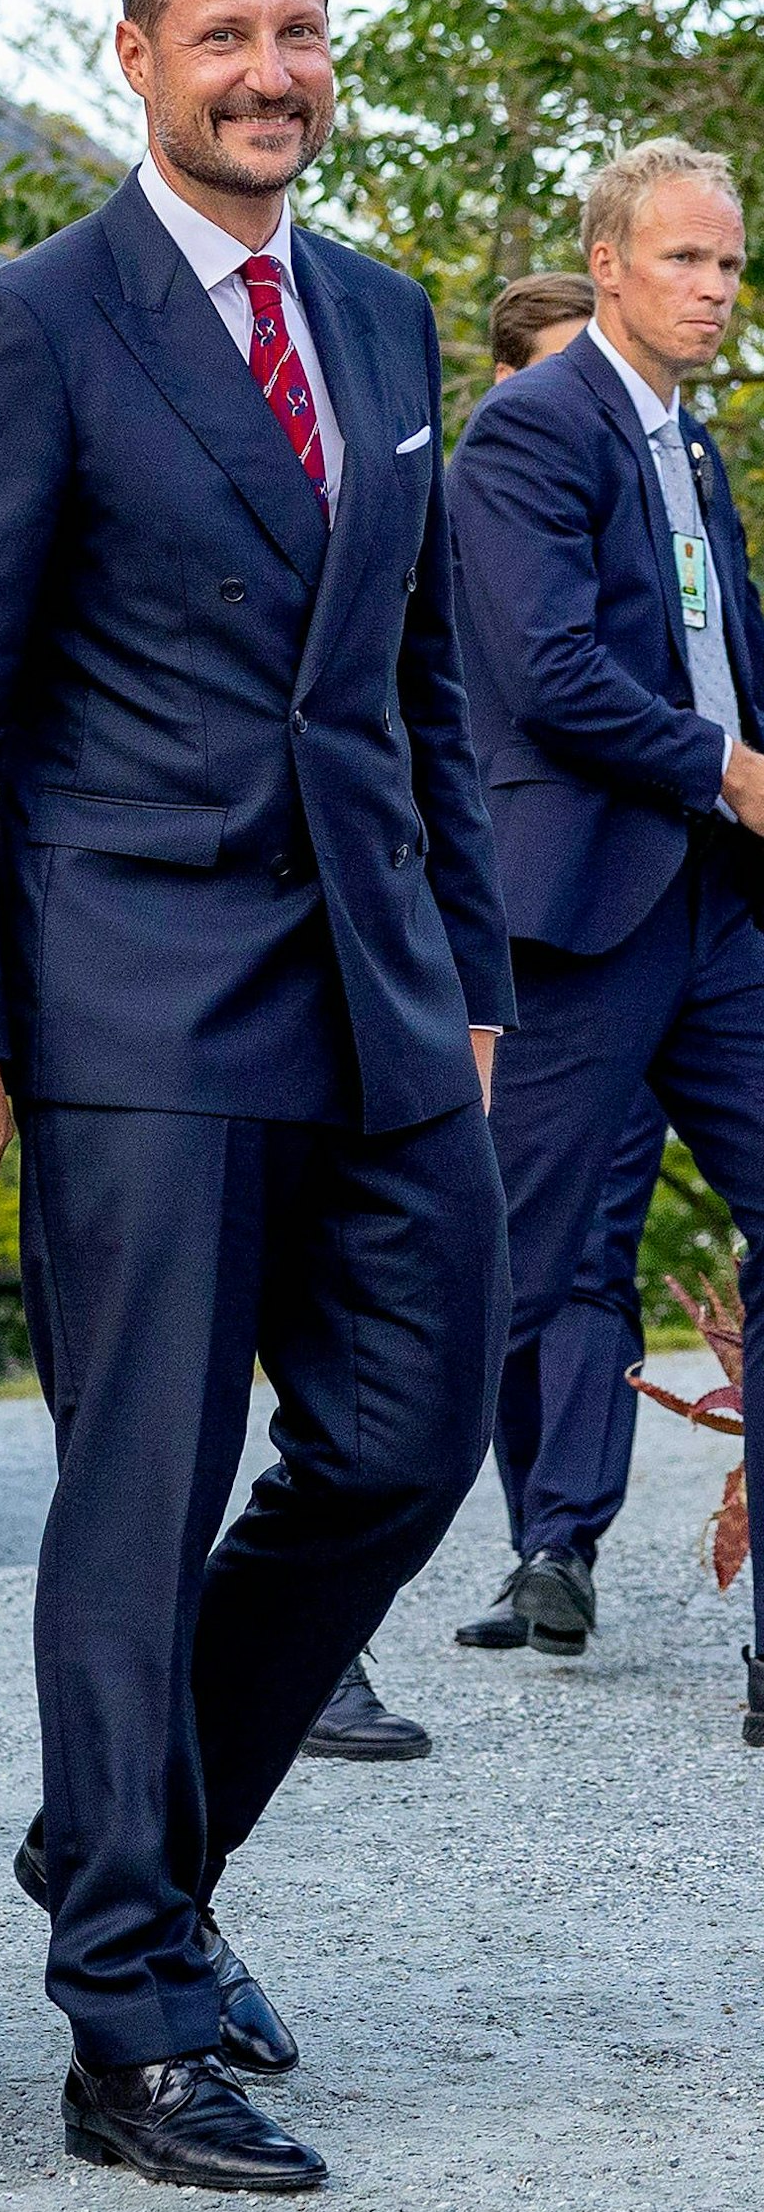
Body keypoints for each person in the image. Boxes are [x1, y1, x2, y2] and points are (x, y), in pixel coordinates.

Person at [0, 0, 513, 2194]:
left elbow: (416, 675)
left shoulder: (379, 313)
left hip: (379, 992)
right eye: (224, 31)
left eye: (300, 32)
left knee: (406, 1437)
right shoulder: (26, 328)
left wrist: (480, 987)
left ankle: (113, 1840)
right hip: (132, 995)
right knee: (136, 1503)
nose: (270, 70)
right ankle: (128, 2011)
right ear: (132, 53)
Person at [447, 140, 764, 1738]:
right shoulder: (528, 434)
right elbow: (552, 674)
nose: (719, 289)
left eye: (731, 263)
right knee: (488, 1267)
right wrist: (733, 768)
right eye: (691, 260)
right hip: (579, 912)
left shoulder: (686, 446)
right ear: (611, 261)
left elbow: (724, 653)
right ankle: (302, 1596)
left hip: (718, 906)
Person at [455, 271, 671, 1654]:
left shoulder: (660, 476)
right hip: (523, 915)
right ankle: (535, 1518)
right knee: (522, 1243)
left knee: (596, 1238)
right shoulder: (482, 492)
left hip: (659, 903)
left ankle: (561, 1535)